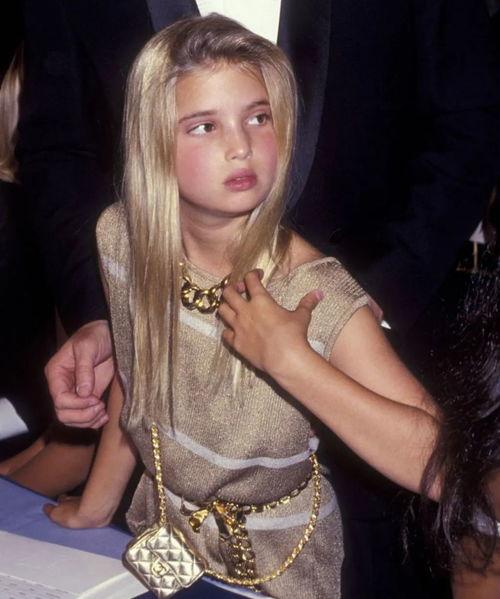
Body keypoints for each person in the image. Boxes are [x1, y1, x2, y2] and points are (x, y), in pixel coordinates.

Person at [18, 1, 500, 596]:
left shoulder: (310, 291)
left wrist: (294, 363)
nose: (242, 147)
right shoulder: (122, 237)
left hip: (282, 568)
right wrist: (97, 503)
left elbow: (446, 467)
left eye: (259, 118)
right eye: (204, 126)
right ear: (151, 141)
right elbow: (137, 373)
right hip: (163, 538)